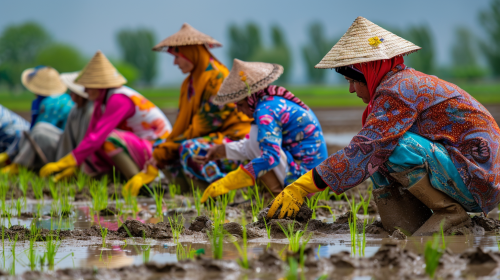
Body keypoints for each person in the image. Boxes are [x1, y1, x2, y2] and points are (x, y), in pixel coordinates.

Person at [267, 17, 500, 236]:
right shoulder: (398, 83)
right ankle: (405, 227)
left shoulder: (398, 89)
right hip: (464, 170)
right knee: (378, 155)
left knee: (385, 147)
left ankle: (449, 211)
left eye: (352, 81)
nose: (350, 90)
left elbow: (364, 149)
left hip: (477, 176)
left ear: (369, 73)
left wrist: (301, 186)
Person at [123, 23, 251, 196]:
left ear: (190, 53)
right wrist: (164, 148)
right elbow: (182, 127)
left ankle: (220, 193)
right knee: (161, 146)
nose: (175, 63)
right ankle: (186, 195)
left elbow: (204, 126)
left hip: (234, 141)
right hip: (208, 138)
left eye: (177, 56)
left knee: (188, 148)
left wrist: (167, 149)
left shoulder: (217, 78)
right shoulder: (190, 83)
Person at [198, 59, 328, 202]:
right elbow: (250, 147)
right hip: (314, 178)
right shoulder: (271, 102)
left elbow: (270, 157)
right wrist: (219, 150)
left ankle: (283, 198)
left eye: (240, 104)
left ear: (250, 98)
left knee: (260, 145)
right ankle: (276, 196)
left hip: (306, 182)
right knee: (257, 139)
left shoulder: (265, 111)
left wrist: (228, 182)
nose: (239, 111)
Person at [39, 51, 172, 184]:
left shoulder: (119, 98)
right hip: (139, 146)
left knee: (110, 139)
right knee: (92, 147)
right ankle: (110, 178)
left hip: (157, 149)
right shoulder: (101, 102)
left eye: (88, 87)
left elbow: (99, 136)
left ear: (99, 86)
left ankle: (139, 181)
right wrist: (74, 163)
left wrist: (66, 161)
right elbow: (90, 136)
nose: (85, 91)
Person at [1, 72, 93, 178]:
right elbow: (66, 138)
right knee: (40, 128)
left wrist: (68, 164)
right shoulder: (75, 109)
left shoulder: (88, 112)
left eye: (73, 92)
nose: (71, 95)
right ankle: (18, 163)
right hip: (65, 151)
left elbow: (84, 140)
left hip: (77, 156)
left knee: (39, 133)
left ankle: (19, 165)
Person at [0, 66, 73, 167]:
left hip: (58, 152)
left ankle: (18, 165)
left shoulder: (46, 104)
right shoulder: (65, 100)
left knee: (38, 131)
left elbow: (36, 134)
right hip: (66, 148)